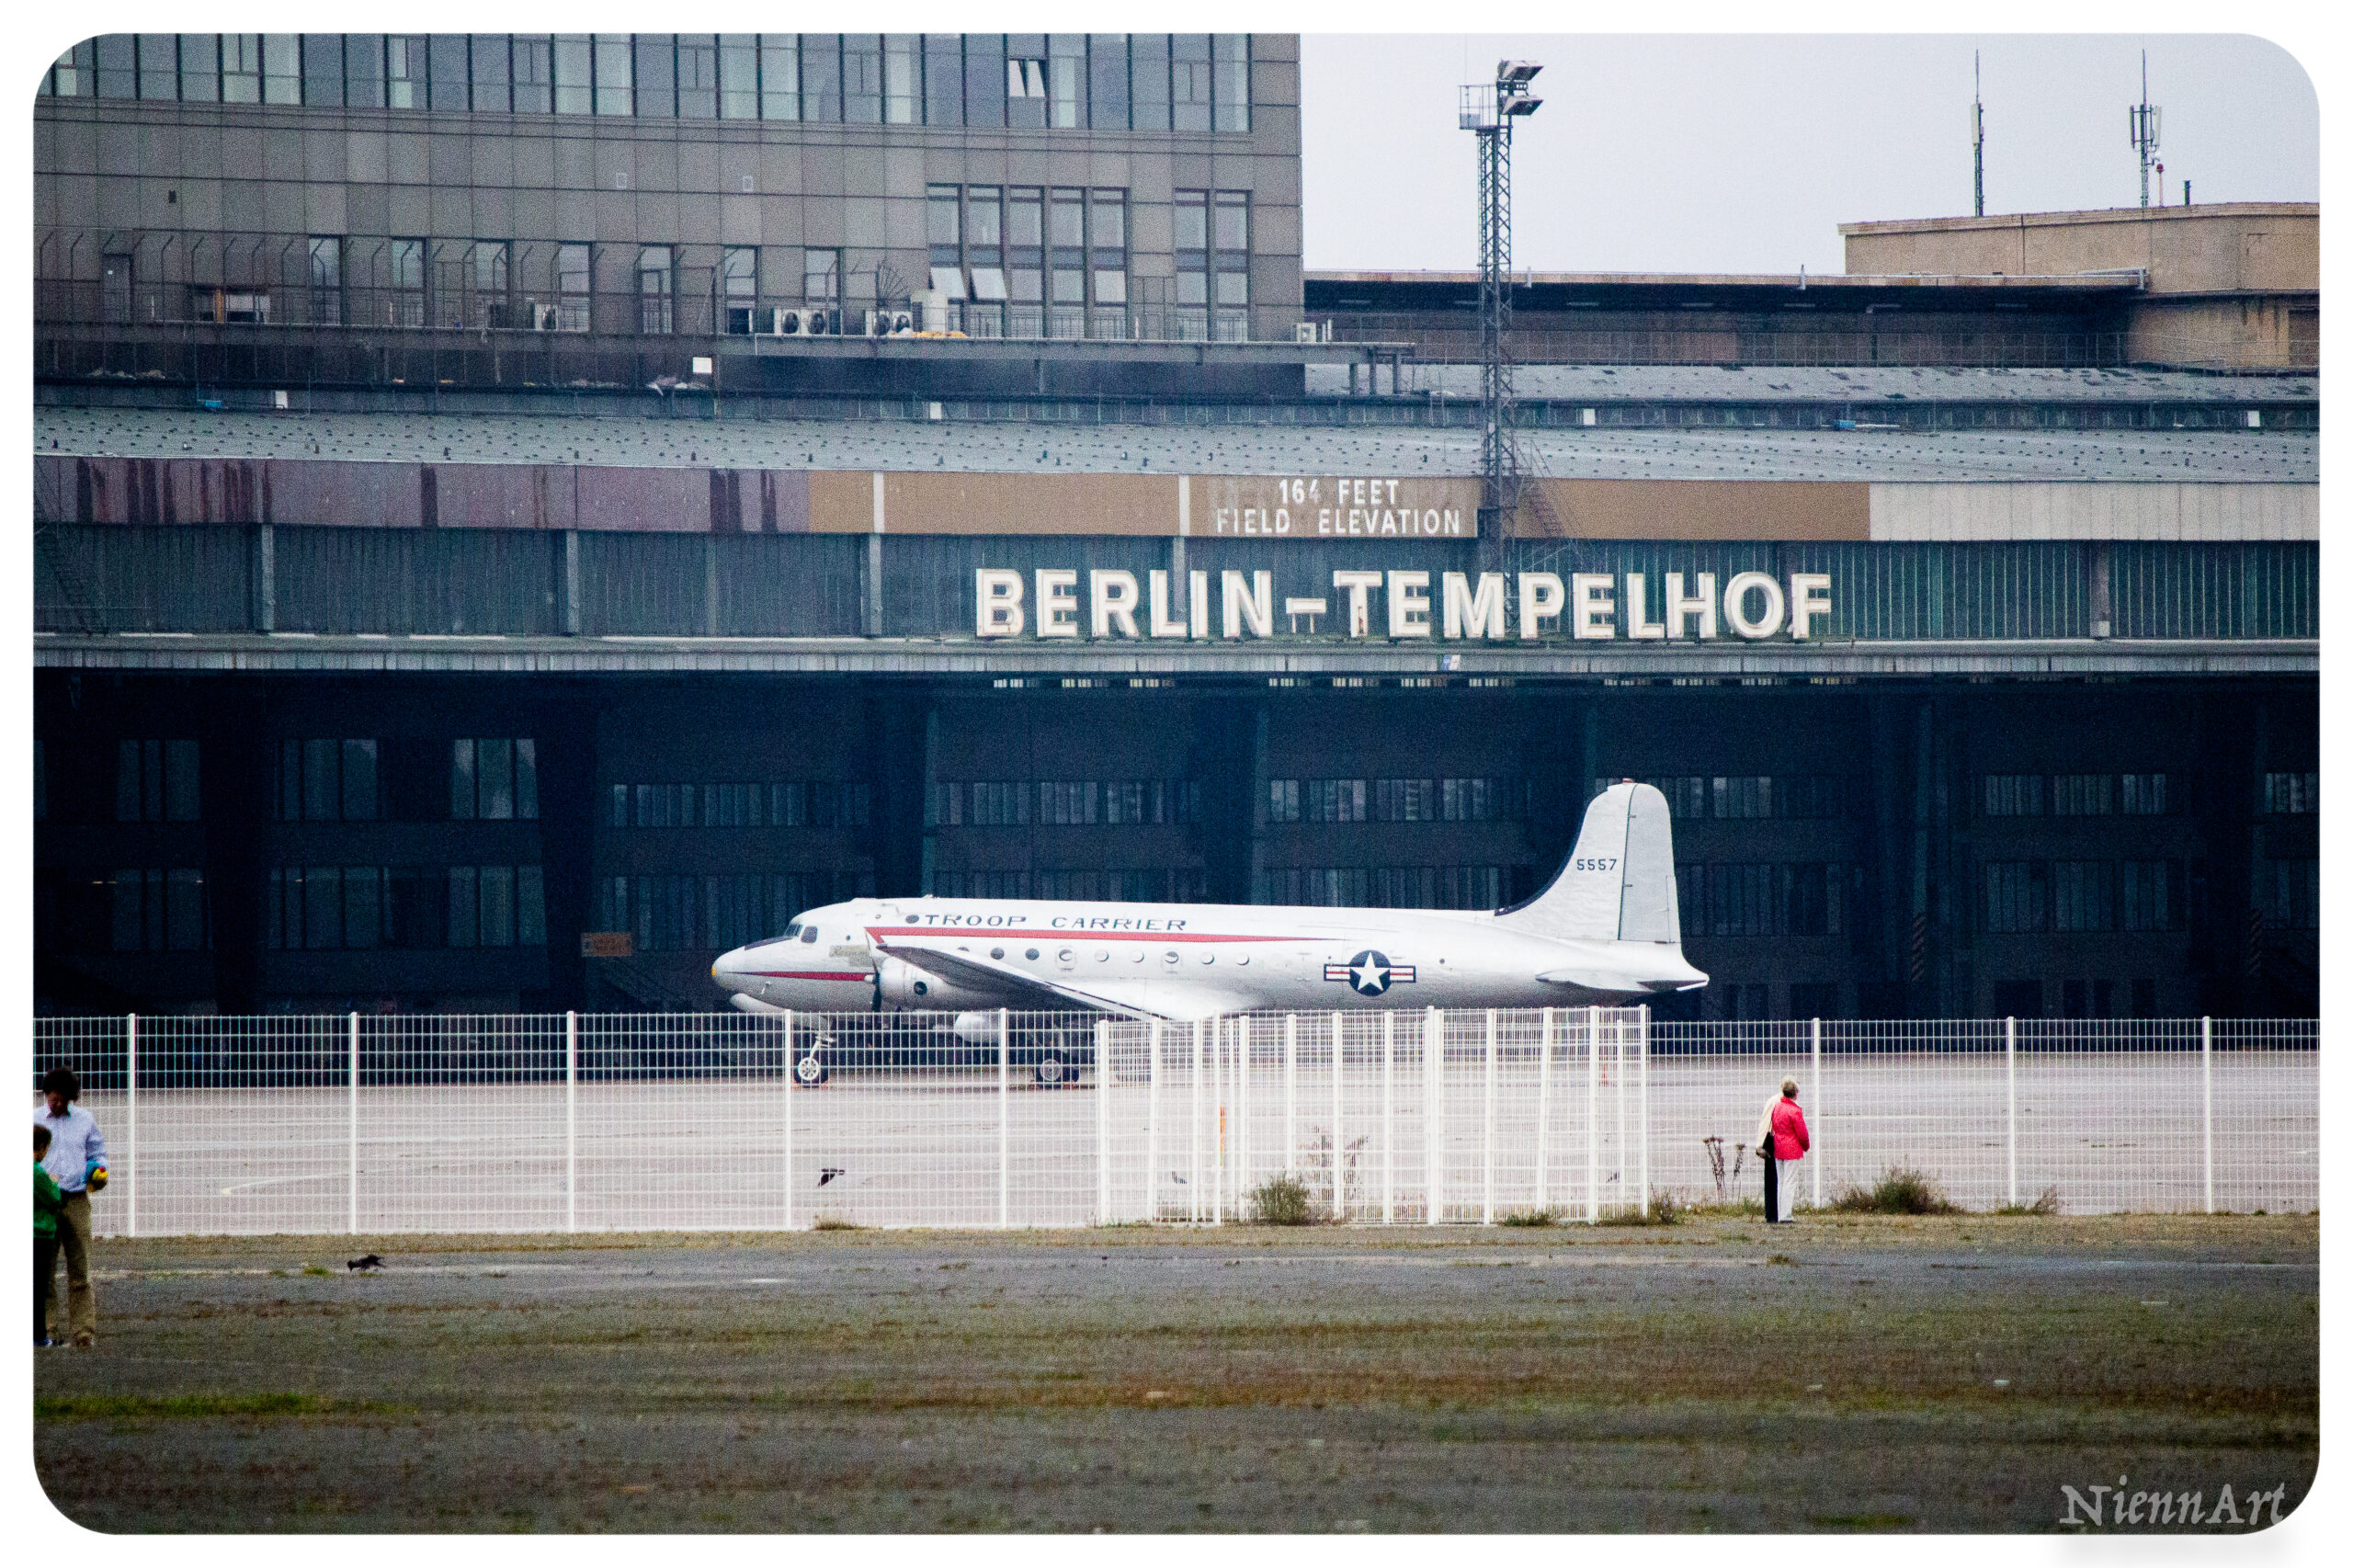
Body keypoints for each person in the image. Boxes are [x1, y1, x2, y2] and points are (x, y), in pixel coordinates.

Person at [35, 1065, 106, 1348]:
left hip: (76, 1199)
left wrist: (99, 1172)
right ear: (46, 1095)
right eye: (54, 1098)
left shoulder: (85, 1120)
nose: (59, 1103)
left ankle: (83, 1332)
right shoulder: (34, 1120)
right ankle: (46, 1330)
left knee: (81, 1270)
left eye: (64, 1099)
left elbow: (98, 1153)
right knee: (44, 1272)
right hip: (44, 1203)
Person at [1760, 1076, 1810, 1223]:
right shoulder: (1795, 1111)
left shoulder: (1777, 1108)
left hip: (1779, 1148)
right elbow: (1802, 1133)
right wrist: (1806, 1146)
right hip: (1792, 1150)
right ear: (1795, 1093)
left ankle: (1779, 1213)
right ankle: (1785, 1214)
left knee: (1781, 1182)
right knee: (1789, 1182)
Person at [36, 1125, 65, 1348]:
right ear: (43, 1148)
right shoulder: (37, 1172)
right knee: (39, 1287)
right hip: (40, 1234)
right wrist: (54, 1183)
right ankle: (39, 1336)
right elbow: (54, 1198)